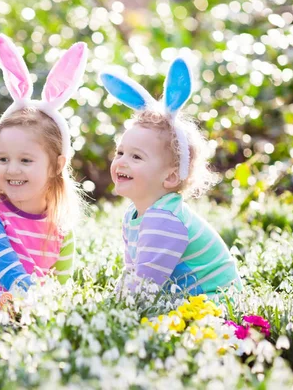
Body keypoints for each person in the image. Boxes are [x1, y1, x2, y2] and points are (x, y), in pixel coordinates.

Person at [0, 33, 88, 310]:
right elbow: (14, 279)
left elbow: (61, 289)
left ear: (57, 166)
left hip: (28, 315)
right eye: (3, 158)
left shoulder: (60, 227)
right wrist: (44, 306)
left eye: (26, 160)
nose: (12, 169)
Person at [99, 57, 242, 296]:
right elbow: (133, 272)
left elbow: (144, 288)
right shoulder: (136, 215)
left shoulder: (165, 219)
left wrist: (113, 310)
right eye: (120, 152)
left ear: (171, 177)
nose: (122, 161)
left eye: (136, 157)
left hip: (212, 301)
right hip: (180, 297)